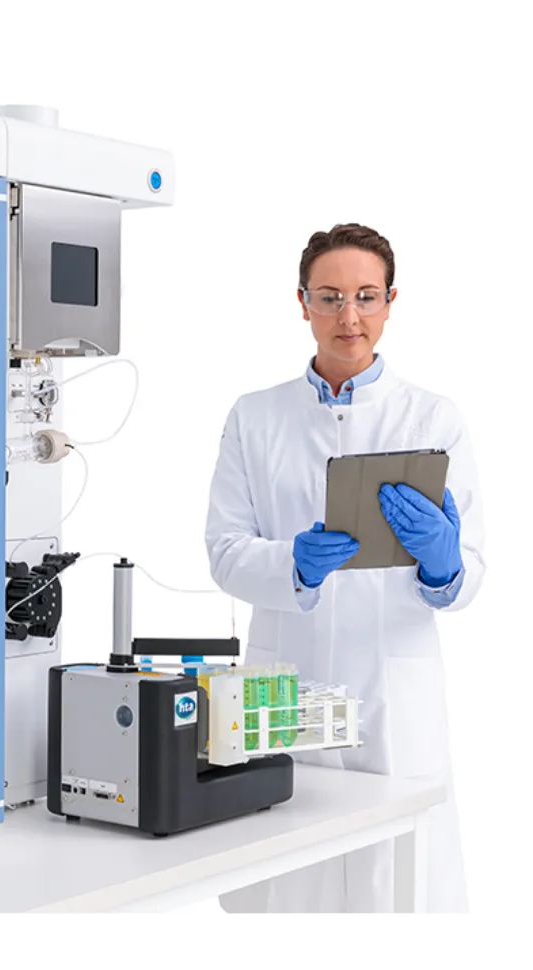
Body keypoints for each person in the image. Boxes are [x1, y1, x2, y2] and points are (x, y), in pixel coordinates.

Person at [204, 223, 484, 912]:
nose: (348, 316)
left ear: (391, 302)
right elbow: (226, 552)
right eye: (329, 297)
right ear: (302, 302)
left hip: (392, 691)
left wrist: (442, 565)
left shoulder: (433, 419)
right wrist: (293, 566)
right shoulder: (254, 417)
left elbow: (470, 572)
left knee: (396, 889)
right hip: (286, 684)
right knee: (285, 884)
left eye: (365, 296)